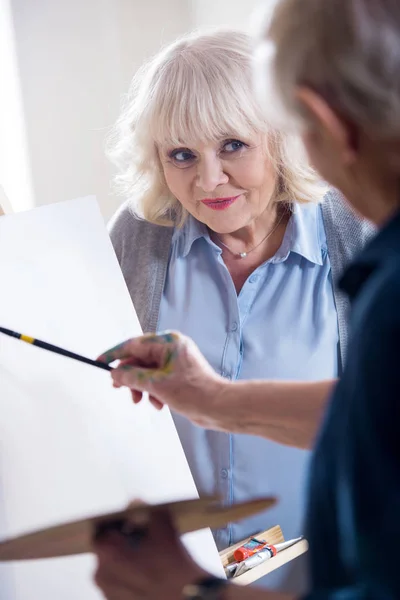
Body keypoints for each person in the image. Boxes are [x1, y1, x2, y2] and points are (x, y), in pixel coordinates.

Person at [94, 1, 400, 599]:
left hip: (313, 573)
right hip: (173, 559)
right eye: (181, 154)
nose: (208, 181)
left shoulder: (361, 235)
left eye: (232, 145)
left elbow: (373, 415)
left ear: (287, 137)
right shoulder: (135, 238)